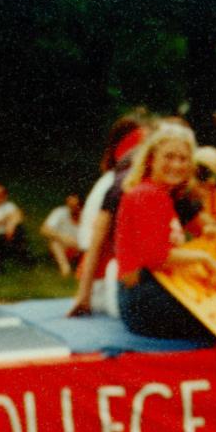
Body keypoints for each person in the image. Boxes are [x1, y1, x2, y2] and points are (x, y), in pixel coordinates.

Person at [113, 123, 216, 341]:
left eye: (183, 159)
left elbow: (206, 230)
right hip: (143, 300)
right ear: (151, 159)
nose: (176, 165)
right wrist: (203, 258)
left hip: (145, 297)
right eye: (169, 157)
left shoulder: (163, 194)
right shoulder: (148, 194)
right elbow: (156, 257)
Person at [70, 114, 147, 316]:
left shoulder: (119, 181)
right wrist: (83, 295)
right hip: (106, 282)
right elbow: (94, 245)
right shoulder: (118, 185)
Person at [40, 192, 83, 276]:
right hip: (63, 247)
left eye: (75, 205)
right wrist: (62, 237)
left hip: (80, 247)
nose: (72, 208)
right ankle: (65, 268)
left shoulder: (86, 216)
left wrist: (76, 243)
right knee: (54, 242)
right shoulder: (60, 212)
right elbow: (44, 229)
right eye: (70, 204)